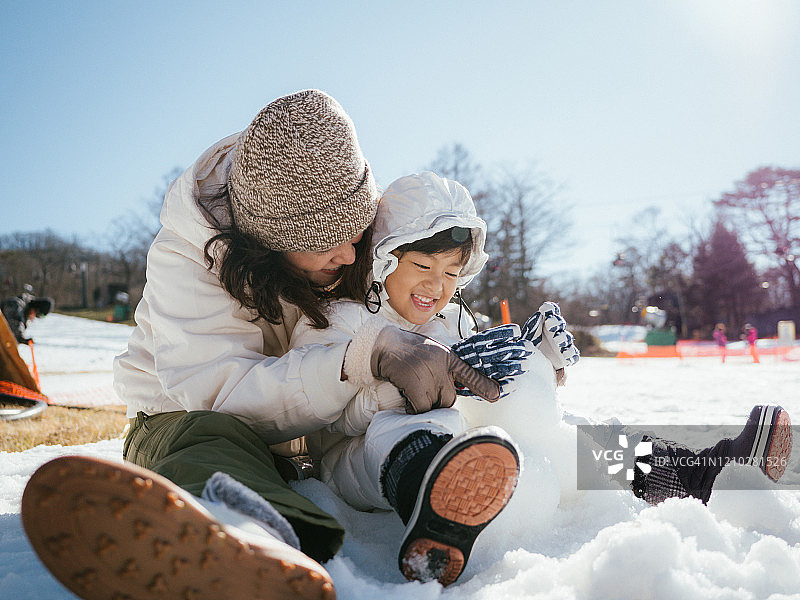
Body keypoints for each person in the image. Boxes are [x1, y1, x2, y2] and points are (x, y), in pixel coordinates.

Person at [20, 90, 501, 600]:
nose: (345, 253)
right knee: (213, 442)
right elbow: (219, 394)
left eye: (355, 232)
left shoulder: (352, 235)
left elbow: (416, 292)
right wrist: (365, 355)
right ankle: (239, 540)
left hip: (312, 435)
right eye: (320, 242)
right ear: (267, 242)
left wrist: (477, 348)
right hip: (183, 417)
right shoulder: (185, 257)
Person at [292, 172, 578, 585]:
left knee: (536, 421)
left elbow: (476, 383)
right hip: (357, 459)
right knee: (407, 424)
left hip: (460, 443)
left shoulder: (453, 319)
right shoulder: (340, 318)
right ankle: (437, 509)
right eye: (423, 265)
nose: (435, 285)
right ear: (383, 260)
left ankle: (652, 466)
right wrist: (401, 385)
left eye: (450, 273)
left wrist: (533, 363)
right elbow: (322, 414)